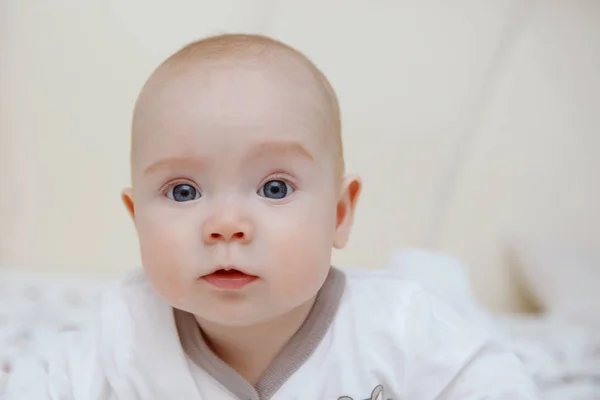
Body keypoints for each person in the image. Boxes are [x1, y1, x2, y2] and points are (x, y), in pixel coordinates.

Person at [5, 33, 539, 400]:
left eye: (274, 187)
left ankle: (434, 272)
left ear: (338, 214)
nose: (225, 225)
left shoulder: (397, 325)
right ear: (136, 218)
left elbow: (495, 381)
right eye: (184, 190)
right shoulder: (125, 333)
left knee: (440, 297)